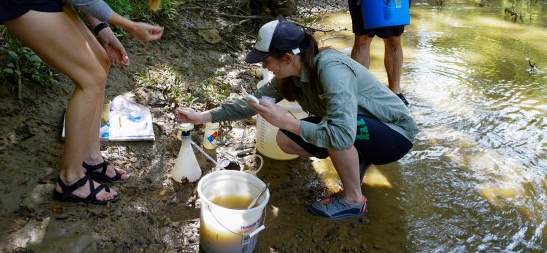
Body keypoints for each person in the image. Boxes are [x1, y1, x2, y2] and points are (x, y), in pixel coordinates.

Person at [0, 0, 202, 204]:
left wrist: (104, 32)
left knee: (101, 63)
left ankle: (89, 157)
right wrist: (130, 26)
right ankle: (71, 179)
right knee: (90, 79)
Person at [176, 17, 418, 220]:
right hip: (358, 127)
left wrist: (287, 121)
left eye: (266, 60)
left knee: (330, 128)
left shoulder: (331, 69)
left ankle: (354, 200)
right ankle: (358, 161)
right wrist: (201, 116)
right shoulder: (289, 76)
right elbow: (251, 103)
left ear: (288, 58)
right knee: (286, 139)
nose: (264, 66)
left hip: (395, 134)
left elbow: (341, 133)